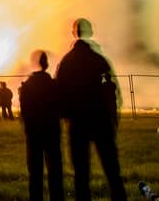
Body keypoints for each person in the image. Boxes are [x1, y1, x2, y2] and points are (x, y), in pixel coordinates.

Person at [58, 19, 126, 201]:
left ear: (74, 33)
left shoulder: (66, 62)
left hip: (77, 123)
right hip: (101, 120)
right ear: (90, 32)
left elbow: (60, 95)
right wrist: (113, 117)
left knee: (81, 174)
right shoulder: (100, 60)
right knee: (112, 171)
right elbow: (112, 91)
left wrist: (67, 117)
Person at [21, 49, 64, 201]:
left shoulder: (27, 86)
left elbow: (24, 112)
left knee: (35, 173)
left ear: (33, 64)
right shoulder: (53, 85)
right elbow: (61, 109)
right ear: (46, 64)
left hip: (33, 133)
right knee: (55, 172)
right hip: (52, 132)